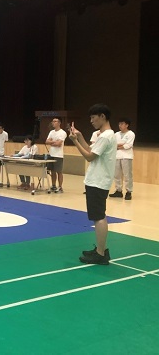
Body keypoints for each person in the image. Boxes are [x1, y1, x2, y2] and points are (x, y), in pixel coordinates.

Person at [69, 103, 116, 265]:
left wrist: (75, 141)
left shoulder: (106, 136)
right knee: (98, 216)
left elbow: (89, 157)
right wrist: (80, 136)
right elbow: (91, 150)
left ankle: (101, 254)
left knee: (99, 217)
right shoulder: (104, 135)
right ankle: (100, 250)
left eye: (93, 117)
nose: (91, 121)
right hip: (96, 180)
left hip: (98, 181)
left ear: (102, 116)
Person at [109, 118, 135, 200]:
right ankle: (118, 190)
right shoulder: (116, 134)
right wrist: (120, 145)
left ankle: (128, 191)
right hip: (117, 156)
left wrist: (119, 146)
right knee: (117, 174)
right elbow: (113, 144)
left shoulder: (131, 134)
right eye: (119, 124)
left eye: (122, 124)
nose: (120, 125)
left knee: (127, 175)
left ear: (127, 125)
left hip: (127, 156)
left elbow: (128, 145)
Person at [46, 117, 67, 193]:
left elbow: (59, 144)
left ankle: (60, 187)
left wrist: (52, 142)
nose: (53, 123)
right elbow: (47, 141)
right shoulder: (51, 132)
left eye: (55, 121)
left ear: (59, 123)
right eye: (53, 121)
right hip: (51, 154)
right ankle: (53, 185)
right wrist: (54, 142)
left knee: (59, 171)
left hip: (58, 155)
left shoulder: (63, 133)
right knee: (52, 171)